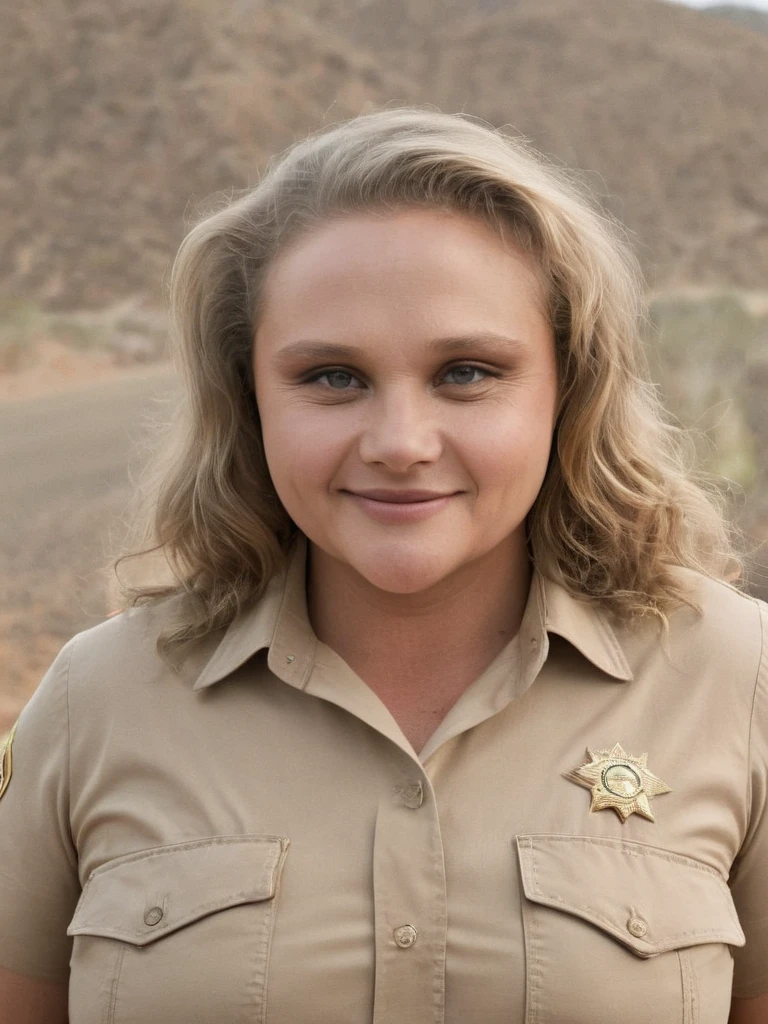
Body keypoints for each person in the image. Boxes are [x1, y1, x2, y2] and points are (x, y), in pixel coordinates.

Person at [0, 107, 765, 1024]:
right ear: (248, 397)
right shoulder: (98, 699)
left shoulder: (737, 678)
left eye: (468, 372)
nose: (400, 444)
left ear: (570, 388)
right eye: (332, 377)